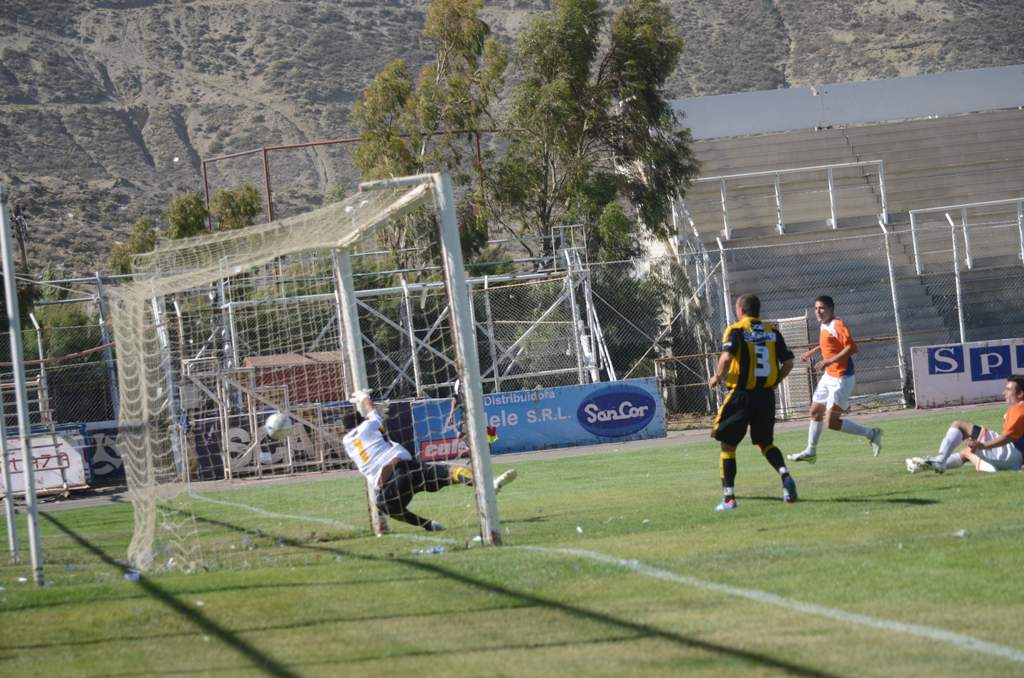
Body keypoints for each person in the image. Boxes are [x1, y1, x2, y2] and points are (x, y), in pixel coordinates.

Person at [345, 390, 515, 531]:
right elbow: (372, 412)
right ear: (361, 422)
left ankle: (428, 525)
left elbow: (371, 422)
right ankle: (487, 485)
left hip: (388, 485)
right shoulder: (368, 425)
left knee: (382, 505)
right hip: (407, 466)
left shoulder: (347, 443)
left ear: (346, 429)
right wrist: (364, 398)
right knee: (450, 471)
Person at [708, 293, 797, 511]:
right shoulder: (772, 332)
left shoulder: (736, 330)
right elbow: (788, 363)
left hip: (741, 395)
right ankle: (785, 477)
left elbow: (727, 357)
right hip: (765, 396)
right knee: (765, 442)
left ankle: (729, 498)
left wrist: (717, 376)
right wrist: (775, 381)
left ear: (740, 310)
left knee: (728, 445)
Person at [788, 296, 882, 464]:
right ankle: (810, 451)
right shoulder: (824, 324)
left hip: (841, 378)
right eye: (816, 308)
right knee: (815, 412)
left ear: (831, 309)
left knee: (831, 422)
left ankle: (872, 434)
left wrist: (829, 361)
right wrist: (813, 352)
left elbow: (851, 347)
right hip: (828, 376)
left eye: (822, 308)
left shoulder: (838, 324)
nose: (818, 311)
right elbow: (829, 344)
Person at [906, 375, 1024, 474]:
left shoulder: (1018, 409)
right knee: (966, 452)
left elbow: (1007, 438)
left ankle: (940, 460)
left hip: (1011, 453)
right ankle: (928, 463)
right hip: (1017, 459)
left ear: (1020, 393)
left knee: (959, 425)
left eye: (1008, 389)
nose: (1004, 392)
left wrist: (983, 445)